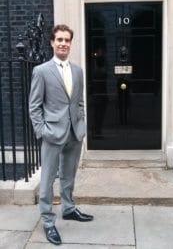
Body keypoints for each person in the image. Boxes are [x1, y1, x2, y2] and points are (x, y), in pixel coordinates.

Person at [29, 24, 93, 246]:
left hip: (74, 133)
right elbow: (34, 106)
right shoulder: (41, 71)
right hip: (52, 134)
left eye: (67, 40)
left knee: (69, 175)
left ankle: (69, 208)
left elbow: (79, 101)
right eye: (59, 40)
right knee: (47, 180)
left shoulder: (77, 70)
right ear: (52, 43)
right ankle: (48, 221)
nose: (63, 43)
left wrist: (81, 123)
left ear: (71, 43)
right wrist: (42, 131)